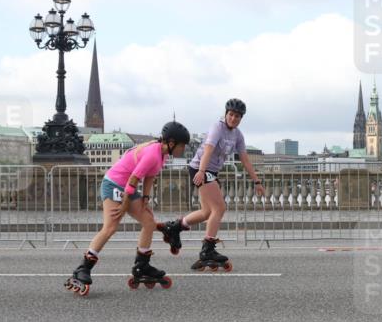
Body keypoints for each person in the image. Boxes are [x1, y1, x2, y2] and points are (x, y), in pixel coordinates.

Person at [65, 121, 191, 296]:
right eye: (182, 145)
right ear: (171, 143)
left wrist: (145, 198)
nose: (183, 149)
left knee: (148, 221)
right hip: (113, 184)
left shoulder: (162, 155)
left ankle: (142, 266)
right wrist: (124, 206)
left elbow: (149, 176)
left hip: (127, 188)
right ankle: (82, 269)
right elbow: (133, 179)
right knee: (110, 227)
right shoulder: (152, 154)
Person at [160, 99, 265, 271]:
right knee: (220, 208)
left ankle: (175, 227)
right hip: (201, 167)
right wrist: (201, 171)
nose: (233, 118)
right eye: (231, 114)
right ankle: (207, 250)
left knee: (207, 211)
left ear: (241, 119)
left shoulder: (238, 135)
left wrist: (257, 181)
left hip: (210, 172)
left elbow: (245, 159)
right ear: (226, 114)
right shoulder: (218, 128)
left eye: (237, 116)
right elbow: (208, 149)